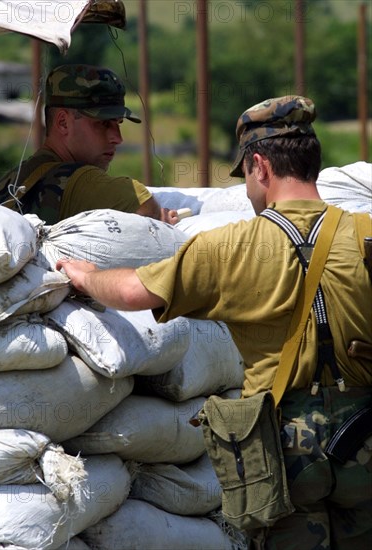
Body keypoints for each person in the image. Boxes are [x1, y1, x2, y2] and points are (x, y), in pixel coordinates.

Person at [56, 96, 372, 549]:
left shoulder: (230, 246)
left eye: (245, 175)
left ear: (260, 165)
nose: (247, 190)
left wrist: (86, 274)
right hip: (362, 434)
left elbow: (132, 292)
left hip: (281, 450)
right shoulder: (364, 233)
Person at [0, 64, 178, 225]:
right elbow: (143, 204)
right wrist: (159, 217)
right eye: (103, 123)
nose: (117, 138)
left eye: (118, 123)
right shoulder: (80, 181)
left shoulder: (11, 180)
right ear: (62, 122)